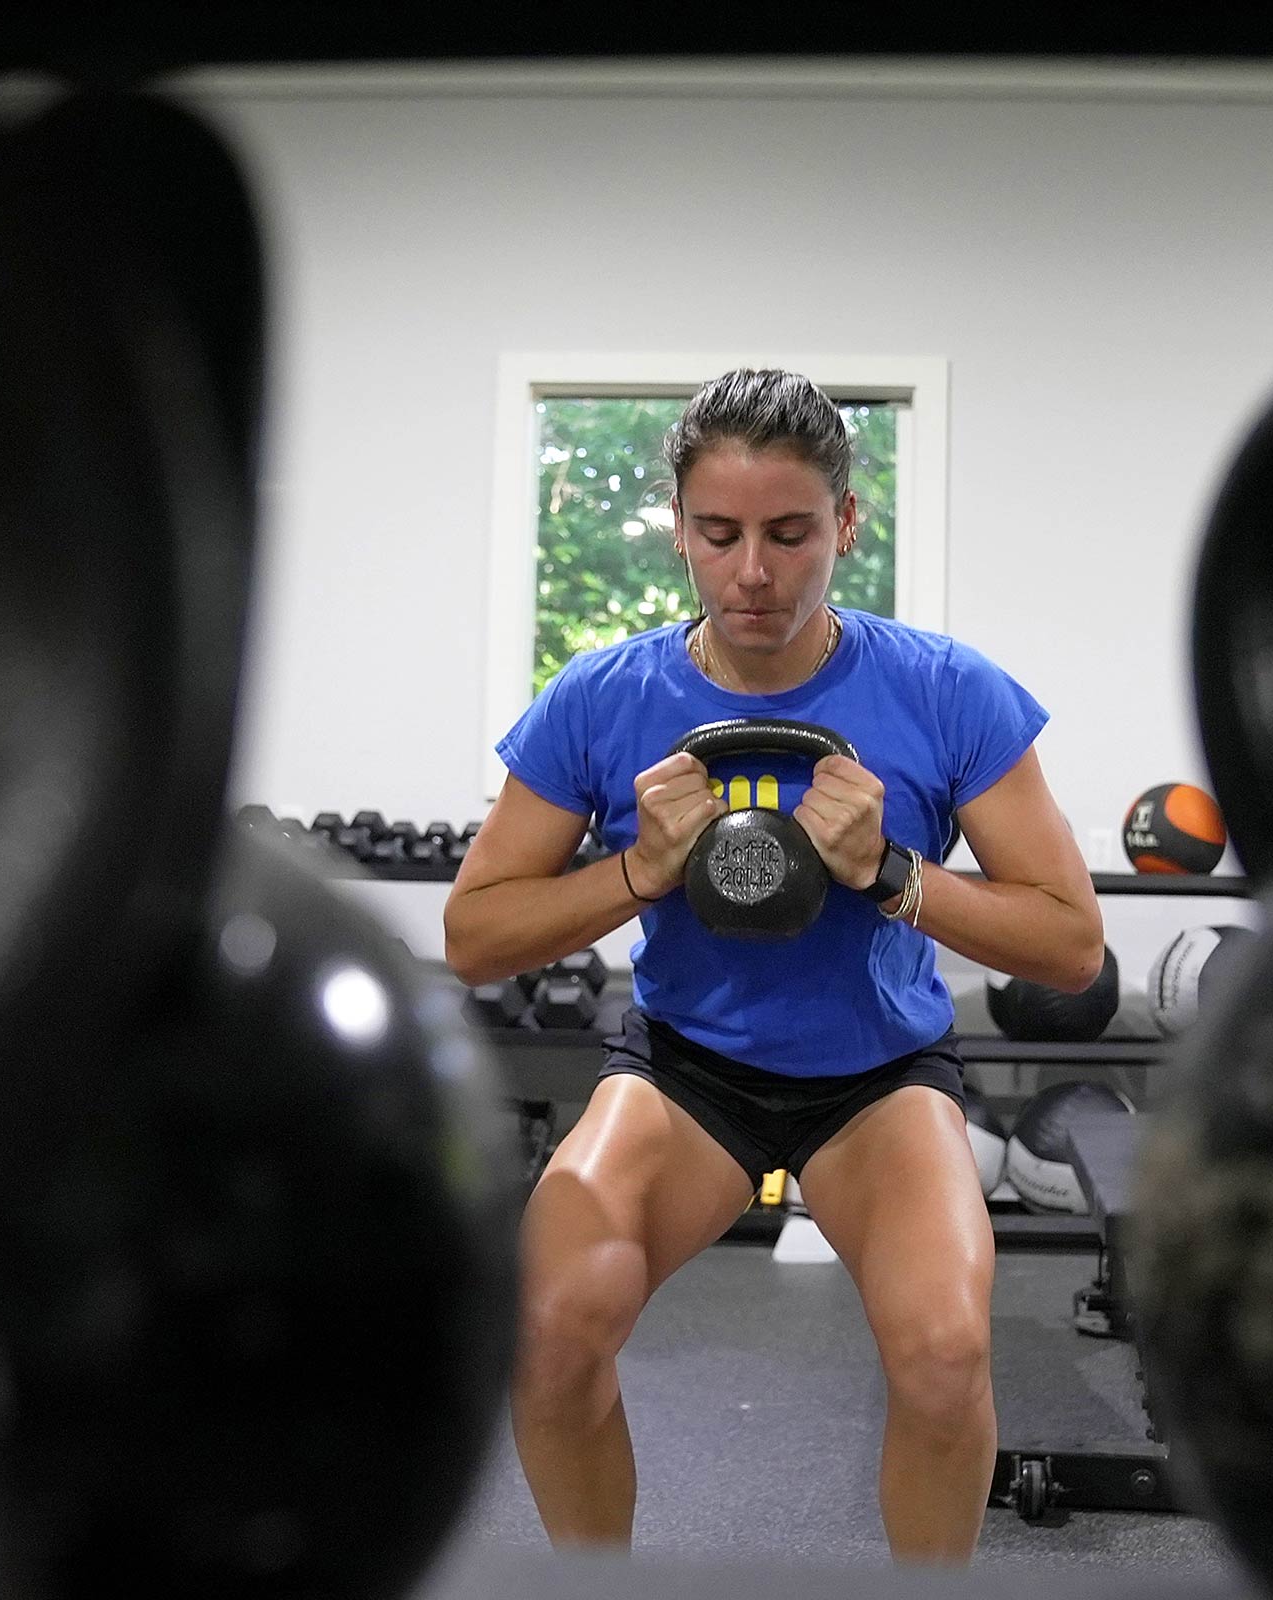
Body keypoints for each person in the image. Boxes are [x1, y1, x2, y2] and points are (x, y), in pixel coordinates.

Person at [444, 368, 1104, 1565]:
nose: (755, 570)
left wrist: (893, 871)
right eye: (721, 533)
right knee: (548, 1328)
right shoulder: (602, 697)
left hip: (880, 1076)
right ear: (683, 531)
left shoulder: (946, 691)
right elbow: (474, 933)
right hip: (687, 1072)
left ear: (847, 524)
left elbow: (1070, 940)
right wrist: (638, 870)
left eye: (791, 532)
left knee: (949, 1358)